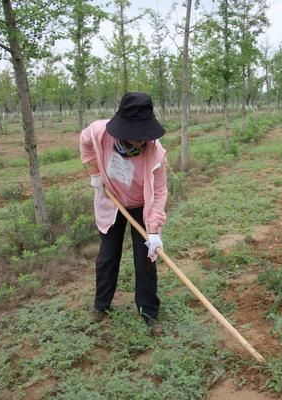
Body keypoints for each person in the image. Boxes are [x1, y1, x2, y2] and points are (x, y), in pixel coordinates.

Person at [79, 92, 168, 335]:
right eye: (136, 134)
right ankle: (101, 305)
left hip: (142, 206)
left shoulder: (156, 152)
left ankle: (149, 312)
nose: (141, 141)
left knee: (146, 259)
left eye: (144, 135)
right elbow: (84, 140)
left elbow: (159, 193)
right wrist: (95, 172)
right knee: (108, 255)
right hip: (112, 202)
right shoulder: (100, 132)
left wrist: (153, 232)